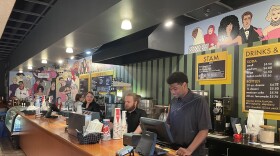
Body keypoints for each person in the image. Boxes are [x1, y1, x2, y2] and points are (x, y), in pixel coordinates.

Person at [166, 72, 211, 156]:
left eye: (175, 89)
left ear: (184, 85)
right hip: (175, 149)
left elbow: (204, 130)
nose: (172, 92)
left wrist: (189, 150)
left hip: (193, 151)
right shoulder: (173, 101)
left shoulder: (199, 101)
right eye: (170, 89)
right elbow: (168, 124)